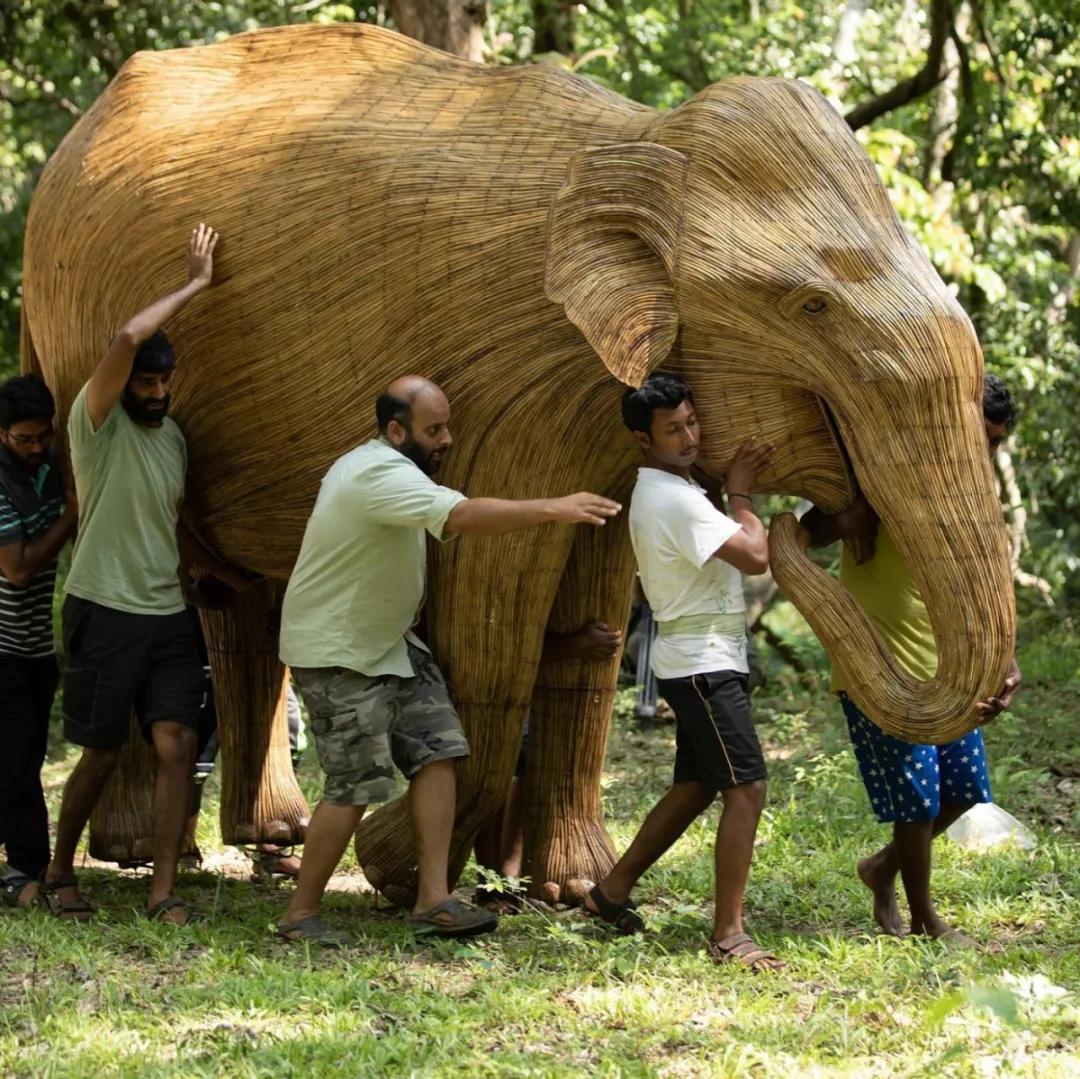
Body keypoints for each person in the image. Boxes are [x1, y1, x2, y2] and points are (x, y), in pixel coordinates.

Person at [276, 374, 621, 944]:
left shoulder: (393, 468)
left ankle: (433, 900)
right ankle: (300, 914)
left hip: (392, 644)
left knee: (439, 752)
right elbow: (460, 517)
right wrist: (554, 508)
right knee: (354, 784)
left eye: (447, 426)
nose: (448, 439)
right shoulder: (375, 473)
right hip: (339, 650)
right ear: (395, 431)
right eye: (433, 429)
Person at [42, 224, 245, 925]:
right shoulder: (94, 422)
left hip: (167, 612)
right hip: (103, 607)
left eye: (165, 382)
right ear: (124, 383)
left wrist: (216, 573)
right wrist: (195, 282)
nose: (157, 392)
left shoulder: (175, 437)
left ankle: (164, 892)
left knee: (177, 744)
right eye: (146, 382)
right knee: (99, 752)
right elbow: (126, 336)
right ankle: (60, 869)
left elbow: (177, 521)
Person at [799, 372, 1021, 946]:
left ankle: (881, 868)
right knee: (918, 800)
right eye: (983, 437)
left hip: (947, 666)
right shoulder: (878, 466)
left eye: (995, 443)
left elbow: (986, 579)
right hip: (877, 662)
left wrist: (1004, 655)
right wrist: (850, 519)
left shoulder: (972, 494)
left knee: (966, 791)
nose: (987, 452)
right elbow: (811, 528)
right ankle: (925, 918)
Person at [584, 372, 783, 971]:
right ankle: (729, 935)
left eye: (692, 422)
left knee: (697, 786)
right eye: (673, 430)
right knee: (746, 788)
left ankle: (610, 892)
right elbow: (754, 556)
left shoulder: (678, 488)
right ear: (643, 441)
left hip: (703, 659)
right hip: (703, 667)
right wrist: (742, 493)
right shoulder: (671, 497)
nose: (689, 437)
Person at [472, 621, 623, 913]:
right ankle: (491, 881)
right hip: (493, 666)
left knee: (527, 762)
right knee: (496, 762)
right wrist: (575, 646)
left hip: (550, 677)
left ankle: (508, 872)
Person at [0, 375, 78, 908]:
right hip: (1, 649)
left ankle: (24, 867)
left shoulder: (50, 470)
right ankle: (25, 869)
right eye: (23, 439)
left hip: (34, 648)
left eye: (42, 437)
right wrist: (71, 515)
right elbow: (19, 569)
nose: (35, 447)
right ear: (2, 434)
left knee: (24, 757)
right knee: (15, 765)